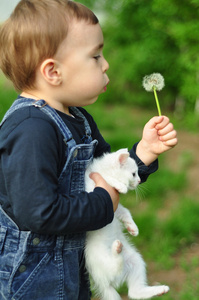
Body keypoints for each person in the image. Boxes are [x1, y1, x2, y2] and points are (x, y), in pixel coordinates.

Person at [0, 0, 178, 299]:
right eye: (95, 56)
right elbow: (39, 212)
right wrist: (103, 203)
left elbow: (106, 172)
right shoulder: (31, 129)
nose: (106, 63)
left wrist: (144, 152)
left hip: (69, 266)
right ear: (53, 72)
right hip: (33, 279)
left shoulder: (78, 117)